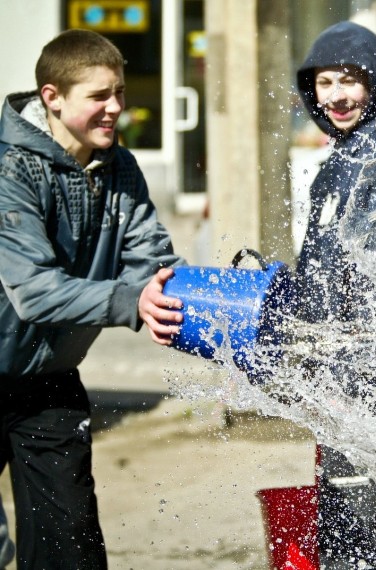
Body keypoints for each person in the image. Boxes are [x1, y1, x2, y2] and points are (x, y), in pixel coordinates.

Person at [0, 29, 184, 569]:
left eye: (120, 93)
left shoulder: (119, 167)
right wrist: (131, 302)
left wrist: (228, 306)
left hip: (48, 381)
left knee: (71, 548)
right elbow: (33, 291)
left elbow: (154, 264)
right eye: (99, 96)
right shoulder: (11, 169)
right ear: (52, 98)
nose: (115, 108)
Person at [291, 21, 376, 569]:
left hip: (374, 371)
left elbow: (373, 270)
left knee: (367, 523)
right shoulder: (351, 152)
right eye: (324, 83)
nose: (336, 96)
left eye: (349, 80)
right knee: (358, 516)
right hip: (350, 366)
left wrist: (299, 310)